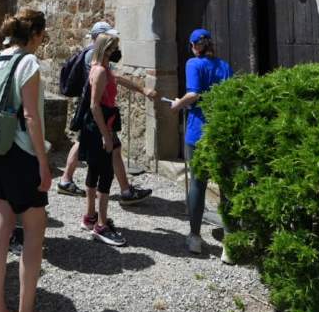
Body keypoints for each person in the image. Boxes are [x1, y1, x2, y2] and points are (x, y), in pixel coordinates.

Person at [0, 10, 57, 312]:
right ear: (36, 33)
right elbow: (31, 116)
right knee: (33, 235)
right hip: (23, 155)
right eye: (43, 35)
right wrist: (43, 162)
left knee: (0, 230)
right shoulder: (28, 63)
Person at [58, 20, 153, 206]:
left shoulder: (96, 57)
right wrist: (142, 90)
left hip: (94, 112)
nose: (114, 43)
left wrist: (141, 90)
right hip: (98, 112)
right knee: (111, 150)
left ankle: (66, 181)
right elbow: (103, 87)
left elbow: (112, 78)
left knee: (84, 144)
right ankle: (123, 193)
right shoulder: (95, 59)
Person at [80, 32, 159, 247]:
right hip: (101, 127)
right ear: (106, 50)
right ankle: (101, 226)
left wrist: (143, 89)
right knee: (105, 175)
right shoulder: (100, 72)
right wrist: (106, 136)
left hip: (100, 127)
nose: (117, 52)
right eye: (114, 48)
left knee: (94, 171)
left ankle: (90, 217)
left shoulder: (102, 69)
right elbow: (95, 106)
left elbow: (119, 79)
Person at [170, 29, 233, 259]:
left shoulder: (193, 64)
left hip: (197, 131)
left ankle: (195, 237)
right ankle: (230, 243)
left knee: (197, 183)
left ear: (195, 46)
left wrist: (178, 105)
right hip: (220, 130)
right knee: (227, 186)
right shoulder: (225, 66)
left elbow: (193, 93)